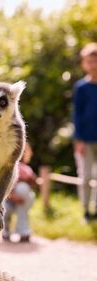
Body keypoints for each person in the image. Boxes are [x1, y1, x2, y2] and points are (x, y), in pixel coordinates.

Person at [73, 43, 97, 222]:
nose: (93, 65)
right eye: (89, 61)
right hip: (85, 140)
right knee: (86, 176)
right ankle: (85, 210)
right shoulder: (81, 87)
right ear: (84, 64)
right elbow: (77, 115)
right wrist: (79, 140)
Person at [3, 143, 37, 242]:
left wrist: (29, 180)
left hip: (22, 199)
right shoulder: (5, 167)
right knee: (5, 209)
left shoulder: (26, 168)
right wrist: (12, 196)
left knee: (23, 189)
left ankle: (23, 231)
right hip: (8, 199)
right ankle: (6, 229)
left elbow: (33, 182)